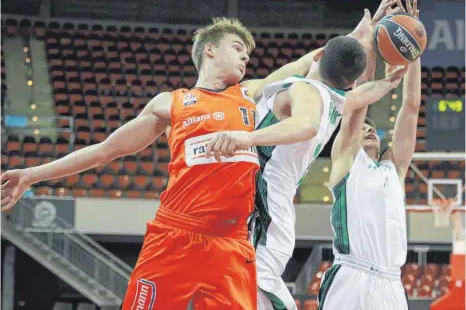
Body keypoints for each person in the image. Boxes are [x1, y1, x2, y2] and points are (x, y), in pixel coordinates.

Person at [0, 17, 351, 310]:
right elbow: (105, 150)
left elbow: (313, 61)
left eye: (249, 54)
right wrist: (32, 174)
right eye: (238, 49)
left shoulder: (249, 94)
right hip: (174, 237)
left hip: (231, 243)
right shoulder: (171, 104)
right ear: (210, 50)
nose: (246, 59)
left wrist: (359, 35)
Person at [205, 0, 405, 309]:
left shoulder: (306, 92)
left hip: (268, 196)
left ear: (322, 55)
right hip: (256, 195)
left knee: (259, 281)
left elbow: (306, 124)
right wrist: (378, 48)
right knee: (243, 281)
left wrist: (247, 138)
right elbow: (366, 86)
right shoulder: (340, 98)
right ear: (350, 81)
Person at [317, 0, 421, 310]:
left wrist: (412, 49)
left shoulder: (395, 170)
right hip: (351, 275)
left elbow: (412, 106)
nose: (370, 129)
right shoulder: (348, 158)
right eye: (365, 127)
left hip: (391, 284)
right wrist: (373, 38)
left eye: (373, 128)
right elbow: (360, 96)